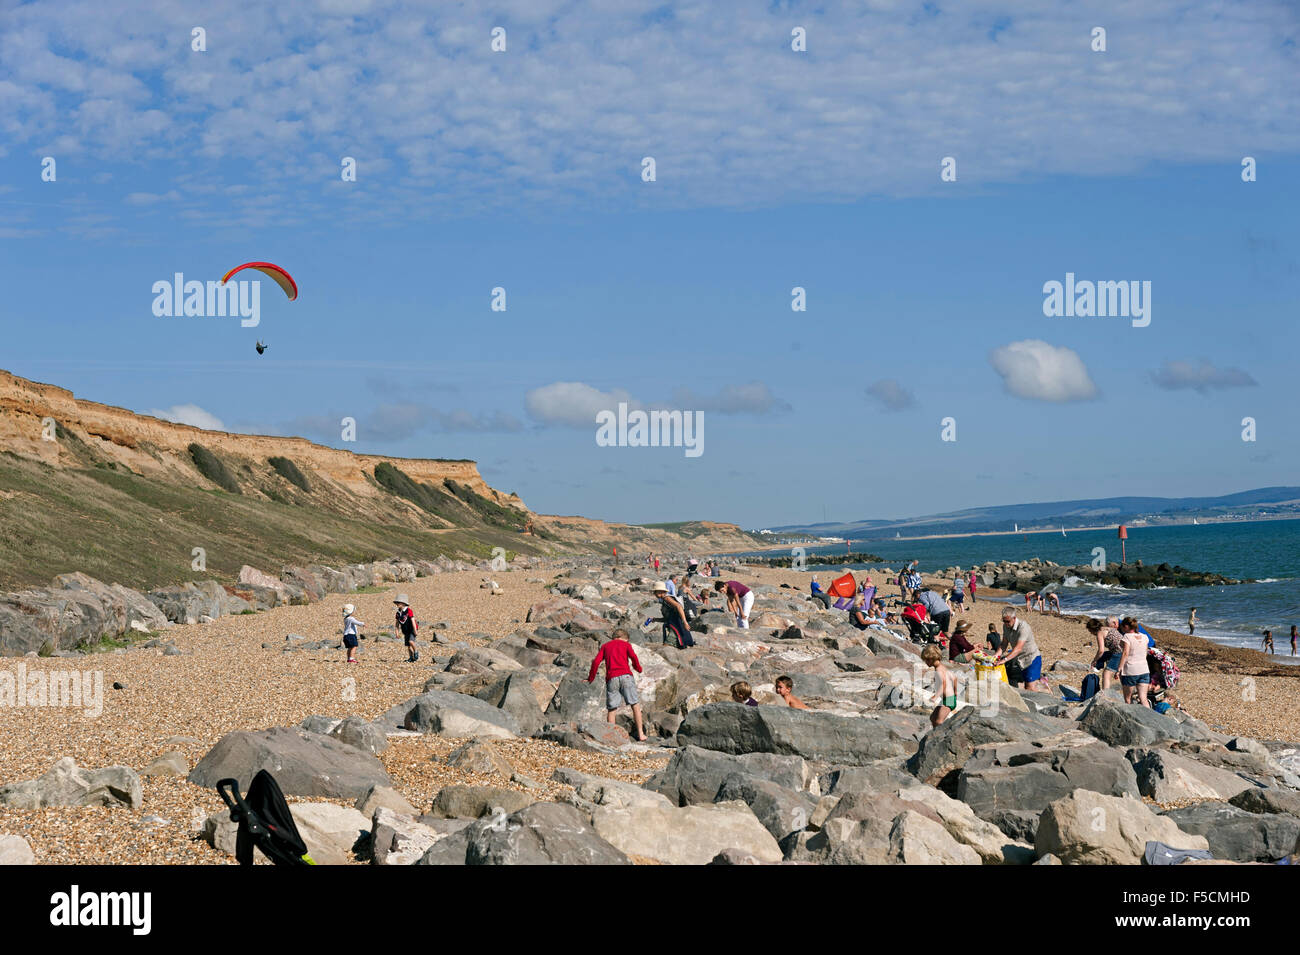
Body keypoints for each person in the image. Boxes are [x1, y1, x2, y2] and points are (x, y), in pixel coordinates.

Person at [586, 628, 647, 741]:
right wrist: (638, 668)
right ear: (625, 638)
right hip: (626, 676)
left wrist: (591, 677)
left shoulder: (605, 646)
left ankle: (612, 737)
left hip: (612, 678)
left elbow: (596, 662)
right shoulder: (626, 645)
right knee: (635, 705)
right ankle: (641, 734)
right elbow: (633, 657)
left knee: (612, 709)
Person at [997, 607, 1044, 691]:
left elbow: (1018, 648)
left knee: (1029, 688)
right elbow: (1004, 644)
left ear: (1014, 618)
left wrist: (1005, 659)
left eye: (1008, 621)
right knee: (1021, 683)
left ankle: (1045, 696)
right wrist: (996, 656)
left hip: (1031, 658)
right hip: (1019, 659)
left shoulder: (1023, 627)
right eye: (1004, 621)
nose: (1006, 623)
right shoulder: (1005, 626)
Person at [922, 644, 957, 726]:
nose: (926, 663)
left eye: (926, 660)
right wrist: (955, 692)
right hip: (948, 699)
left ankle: (940, 736)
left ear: (931, 659)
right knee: (933, 718)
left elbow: (943, 684)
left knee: (939, 721)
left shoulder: (938, 670)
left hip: (949, 700)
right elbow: (954, 678)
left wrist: (935, 696)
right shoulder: (942, 667)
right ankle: (934, 734)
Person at [1117, 622, 1151, 707]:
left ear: (1126, 627)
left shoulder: (1127, 636)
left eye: (1122, 628)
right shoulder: (1145, 637)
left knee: (1128, 699)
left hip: (1131, 670)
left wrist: (1119, 669)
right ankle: (1150, 718)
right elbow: (1145, 652)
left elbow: (1125, 653)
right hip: (1144, 670)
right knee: (1143, 699)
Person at [1087, 617, 1123, 691]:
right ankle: (1098, 667)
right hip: (1125, 649)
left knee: (1106, 673)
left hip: (1118, 652)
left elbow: (1101, 650)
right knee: (1105, 656)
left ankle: (1105, 695)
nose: (1091, 633)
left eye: (1090, 631)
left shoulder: (1099, 633)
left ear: (1092, 629)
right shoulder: (1107, 628)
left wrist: (1094, 660)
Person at [654, 582, 694, 648]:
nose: (654, 594)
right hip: (676, 625)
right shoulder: (665, 600)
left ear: (660, 592)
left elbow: (679, 606)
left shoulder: (667, 598)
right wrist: (655, 619)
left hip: (677, 626)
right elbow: (668, 617)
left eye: (655, 592)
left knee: (667, 646)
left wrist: (685, 622)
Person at [393, 594, 419, 663]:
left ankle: (416, 651)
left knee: (411, 641)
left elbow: (413, 620)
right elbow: (397, 624)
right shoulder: (398, 613)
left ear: (403, 603)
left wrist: (415, 630)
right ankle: (411, 657)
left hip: (411, 629)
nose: (397, 604)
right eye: (396, 603)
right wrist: (397, 632)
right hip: (405, 630)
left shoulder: (408, 611)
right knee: (408, 646)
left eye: (398, 603)